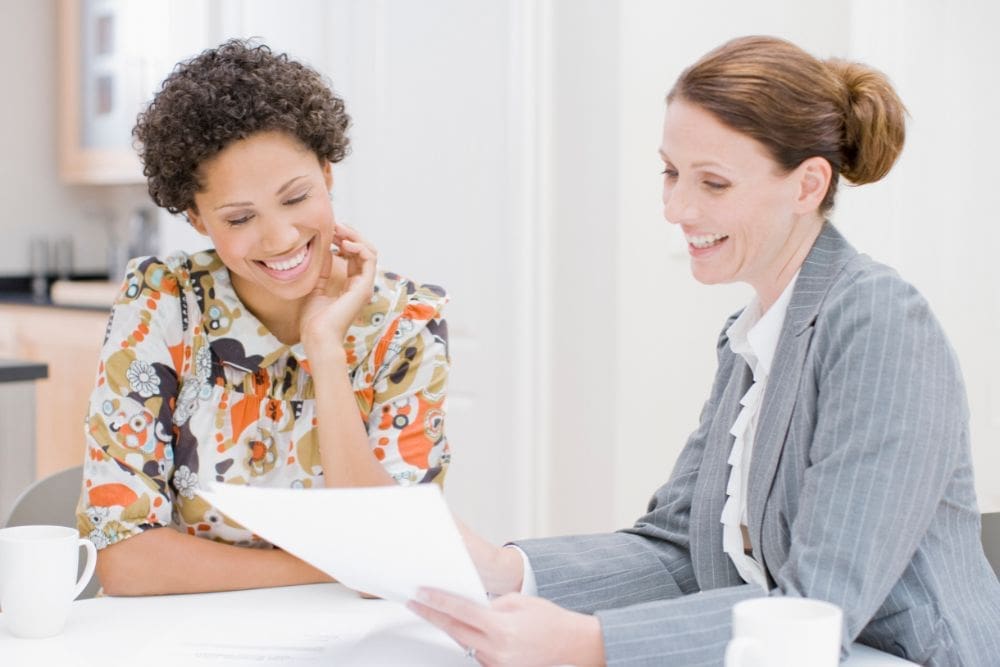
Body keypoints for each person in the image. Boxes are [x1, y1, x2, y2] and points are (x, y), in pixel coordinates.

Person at [408, 35, 1000, 666]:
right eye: (670, 172)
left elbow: (819, 609)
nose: (675, 208)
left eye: (712, 183)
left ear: (807, 186)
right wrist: (505, 570)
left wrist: (590, 644)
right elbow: (681, 549)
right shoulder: (750, 334)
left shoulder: (879, 321)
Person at [75, 40, 452, 596]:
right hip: (178, 634)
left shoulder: (406, 324)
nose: (279, 238)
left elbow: (395, 553)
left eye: (296, 197)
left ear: (327, 173)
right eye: (240, 217)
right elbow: (125, 561)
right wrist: (340, 565)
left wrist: (324, 347)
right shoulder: (161, 303)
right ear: (198, 219)